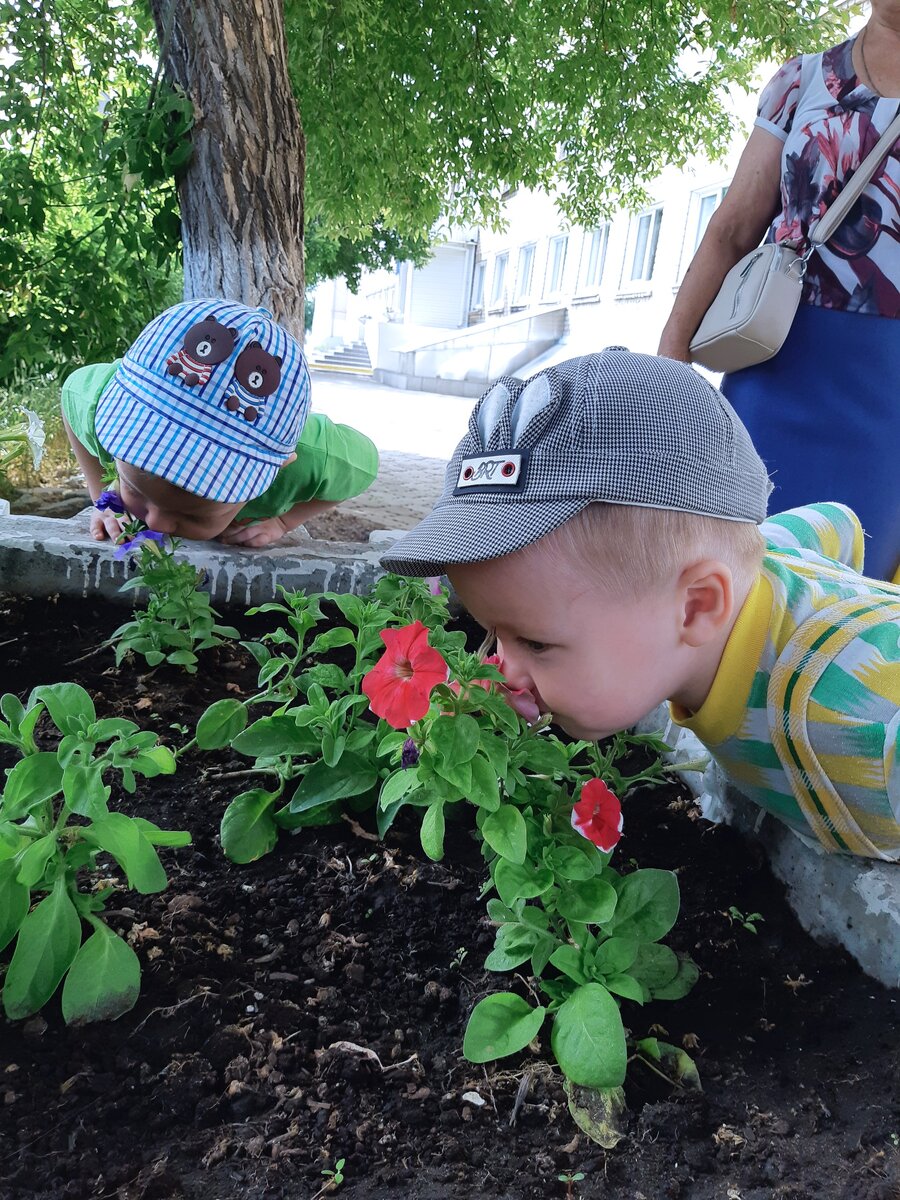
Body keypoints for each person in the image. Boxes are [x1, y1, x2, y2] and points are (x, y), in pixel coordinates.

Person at [380, 350, 900, 861]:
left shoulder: (853, 718)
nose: (503, 669)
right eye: (494, 635)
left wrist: (848, 622)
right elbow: (832, 522)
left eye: (535, 643)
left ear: (697, 608)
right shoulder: (747, 573)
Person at [658, 6, 900, 582]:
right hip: (776, 361)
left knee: (849, 596)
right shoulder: (802, 82)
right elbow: (734, 227)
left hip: (890, 402)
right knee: (728, 575)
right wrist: (668, 369)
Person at [62, 299, 378, 547]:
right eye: (135, 489)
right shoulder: (102, 405)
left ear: (277, 468)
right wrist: (105, 498)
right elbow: (71, 392)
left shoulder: (314, 458)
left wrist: (283, 522)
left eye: (192, 515)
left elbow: (365, 465)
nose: (156, 525)